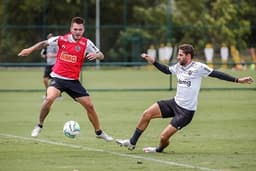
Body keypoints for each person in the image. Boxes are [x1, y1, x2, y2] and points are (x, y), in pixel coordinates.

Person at [116, 44, 254, 153]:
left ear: (188, 56)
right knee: (147, 114)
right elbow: (166, 70)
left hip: (186, 112)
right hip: (175, 103)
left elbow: (217, 74)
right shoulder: (179, 66)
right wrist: (153, 61)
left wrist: (238, 80)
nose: (178, 57)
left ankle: (158, 149)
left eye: (180, 55)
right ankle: (132, 142)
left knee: (163, 138)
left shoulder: (199, 67)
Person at [18, 16, 113, 142]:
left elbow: (101, 55)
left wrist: (96, 55)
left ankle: (99, 132)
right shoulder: (61, 39)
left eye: (80, 29)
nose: (78, 31)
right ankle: (39, 125)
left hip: (73, 81)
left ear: (83, 30)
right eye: (75, 29)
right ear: (71, 29)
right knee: (49, 98)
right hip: (58, 79)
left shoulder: (87, 43)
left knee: (90, 106)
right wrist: (29, 50)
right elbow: (43, 43)